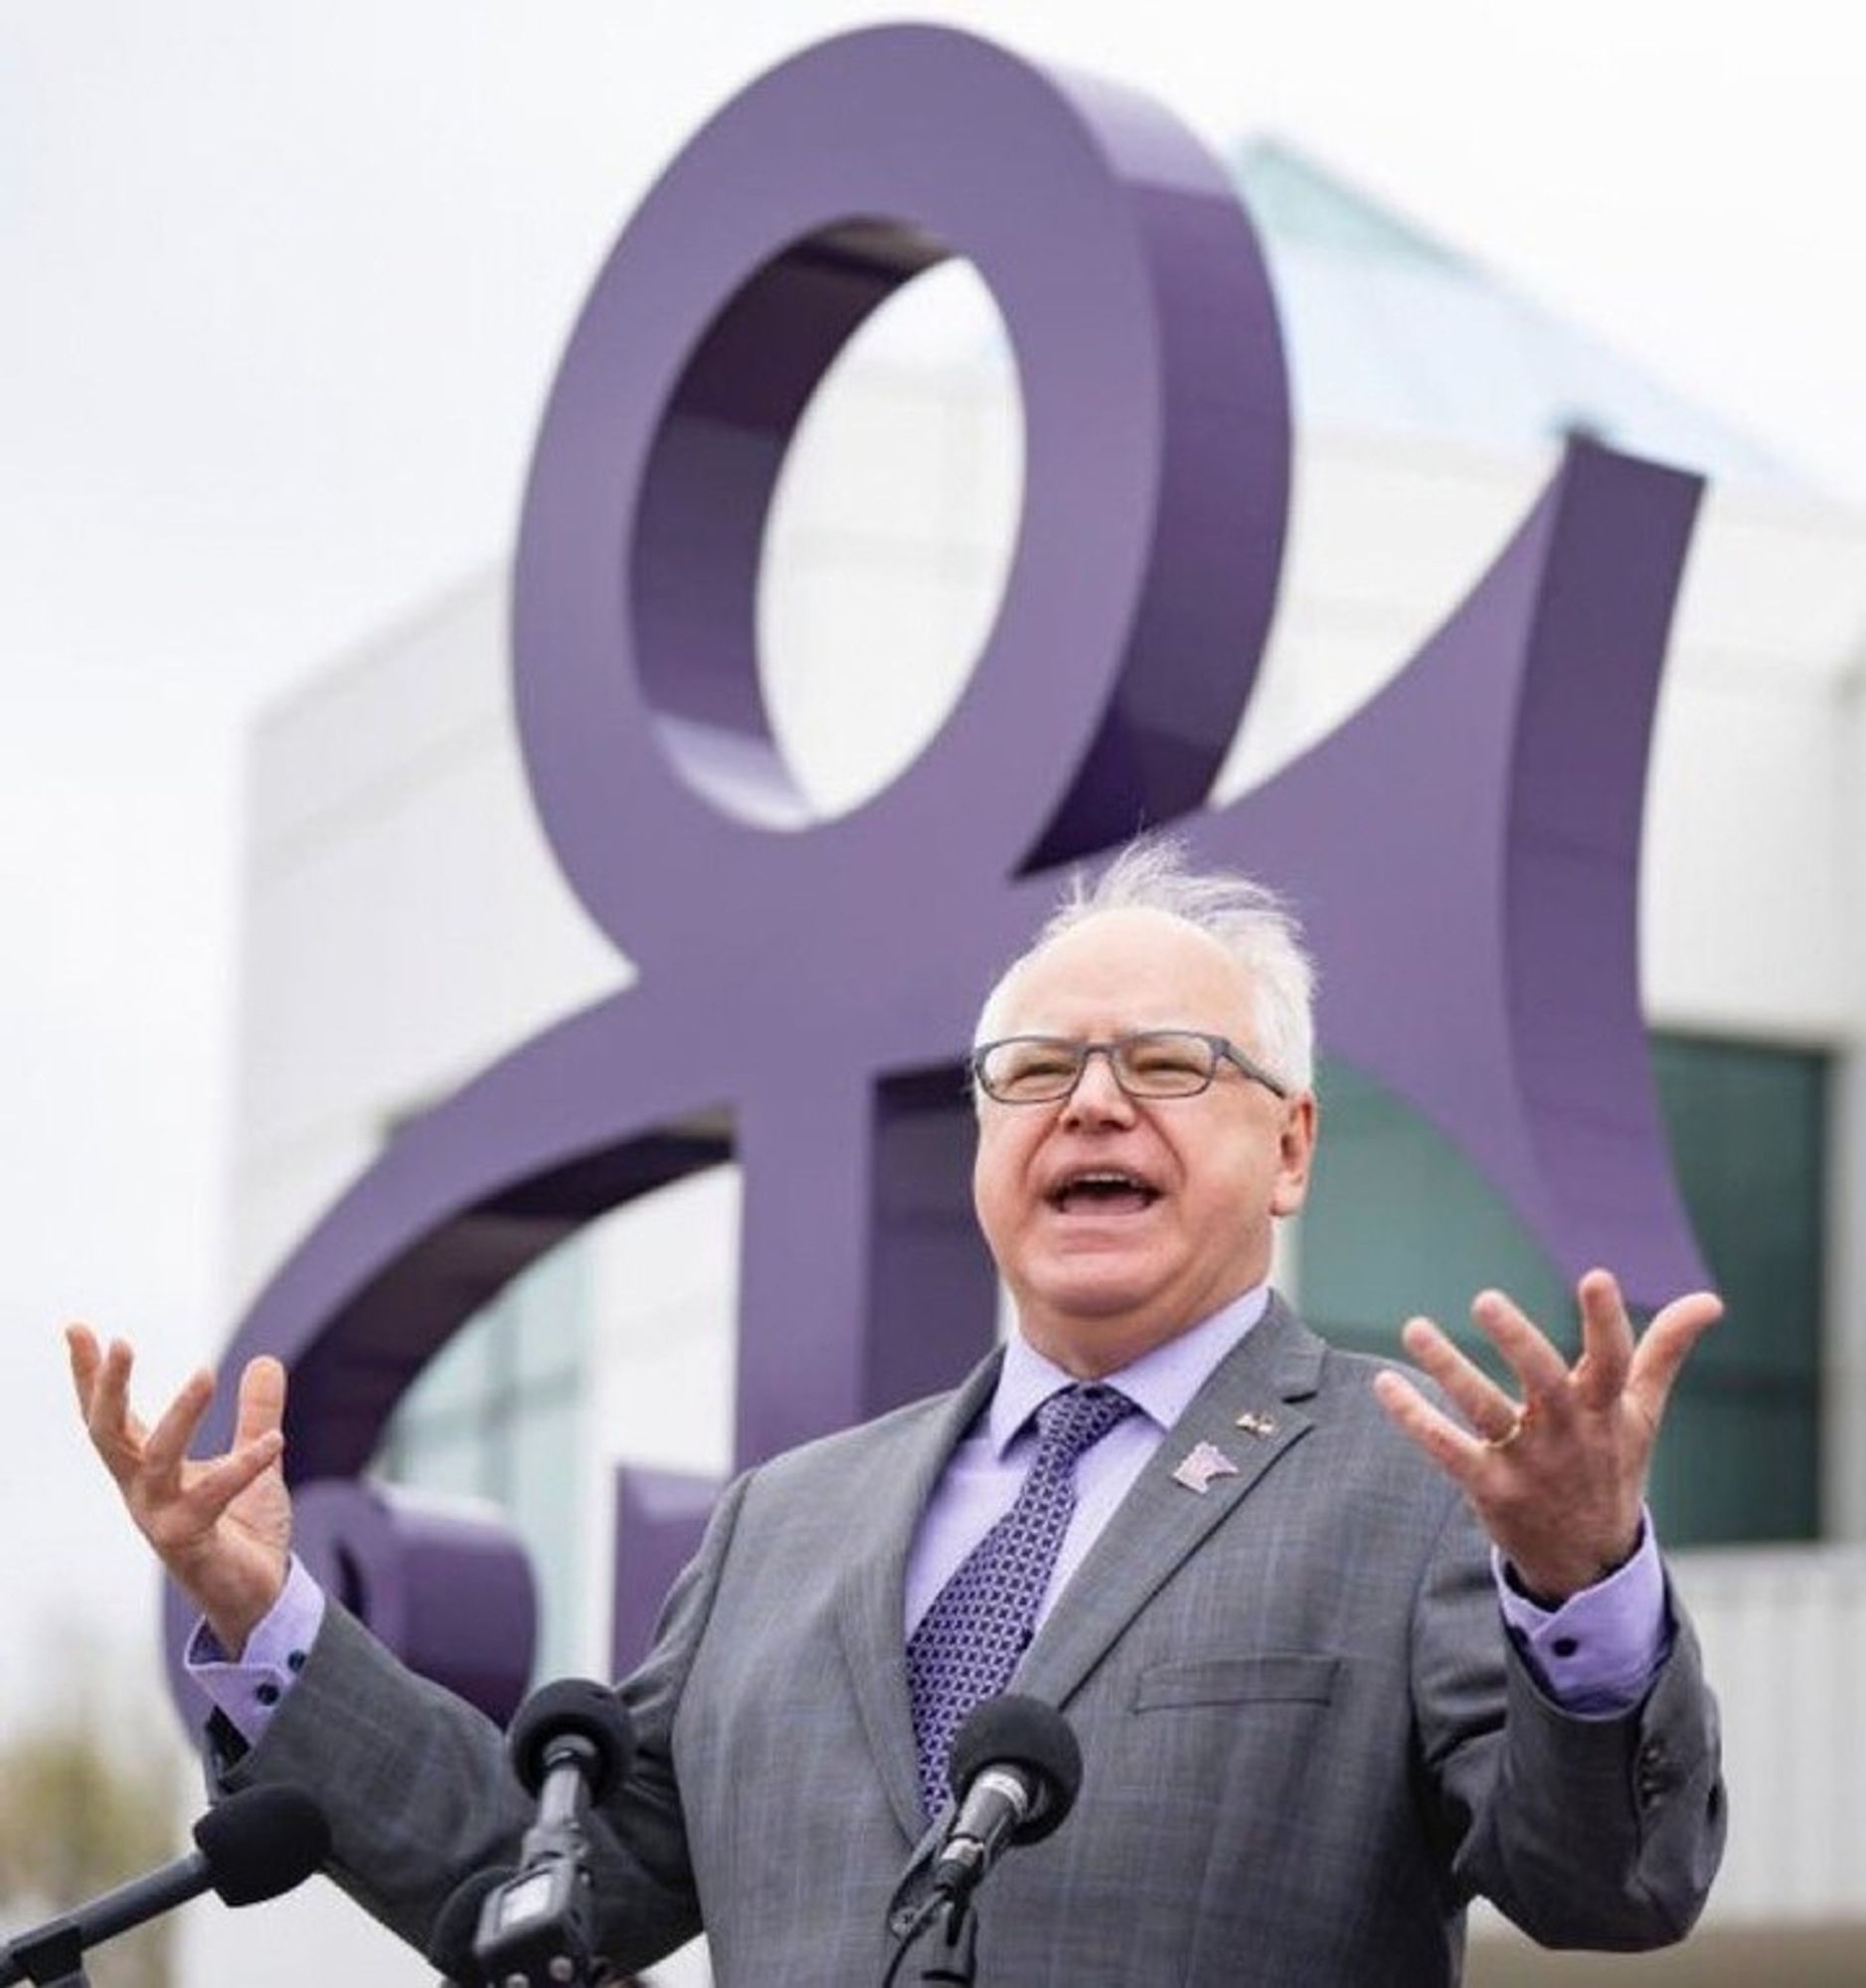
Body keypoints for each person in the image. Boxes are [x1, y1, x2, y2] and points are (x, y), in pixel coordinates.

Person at [69, 840, 1725, 1985]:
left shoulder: (1415, 1477)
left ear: (1287, 1146)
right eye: (1033, 1071)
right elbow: (543, 1885)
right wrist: (263, 1614)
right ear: (983, 1140)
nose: (1089, 1100)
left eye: (1162, 1065)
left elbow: (1613, 1889)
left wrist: (1579, 1587)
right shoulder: (786, 1523)